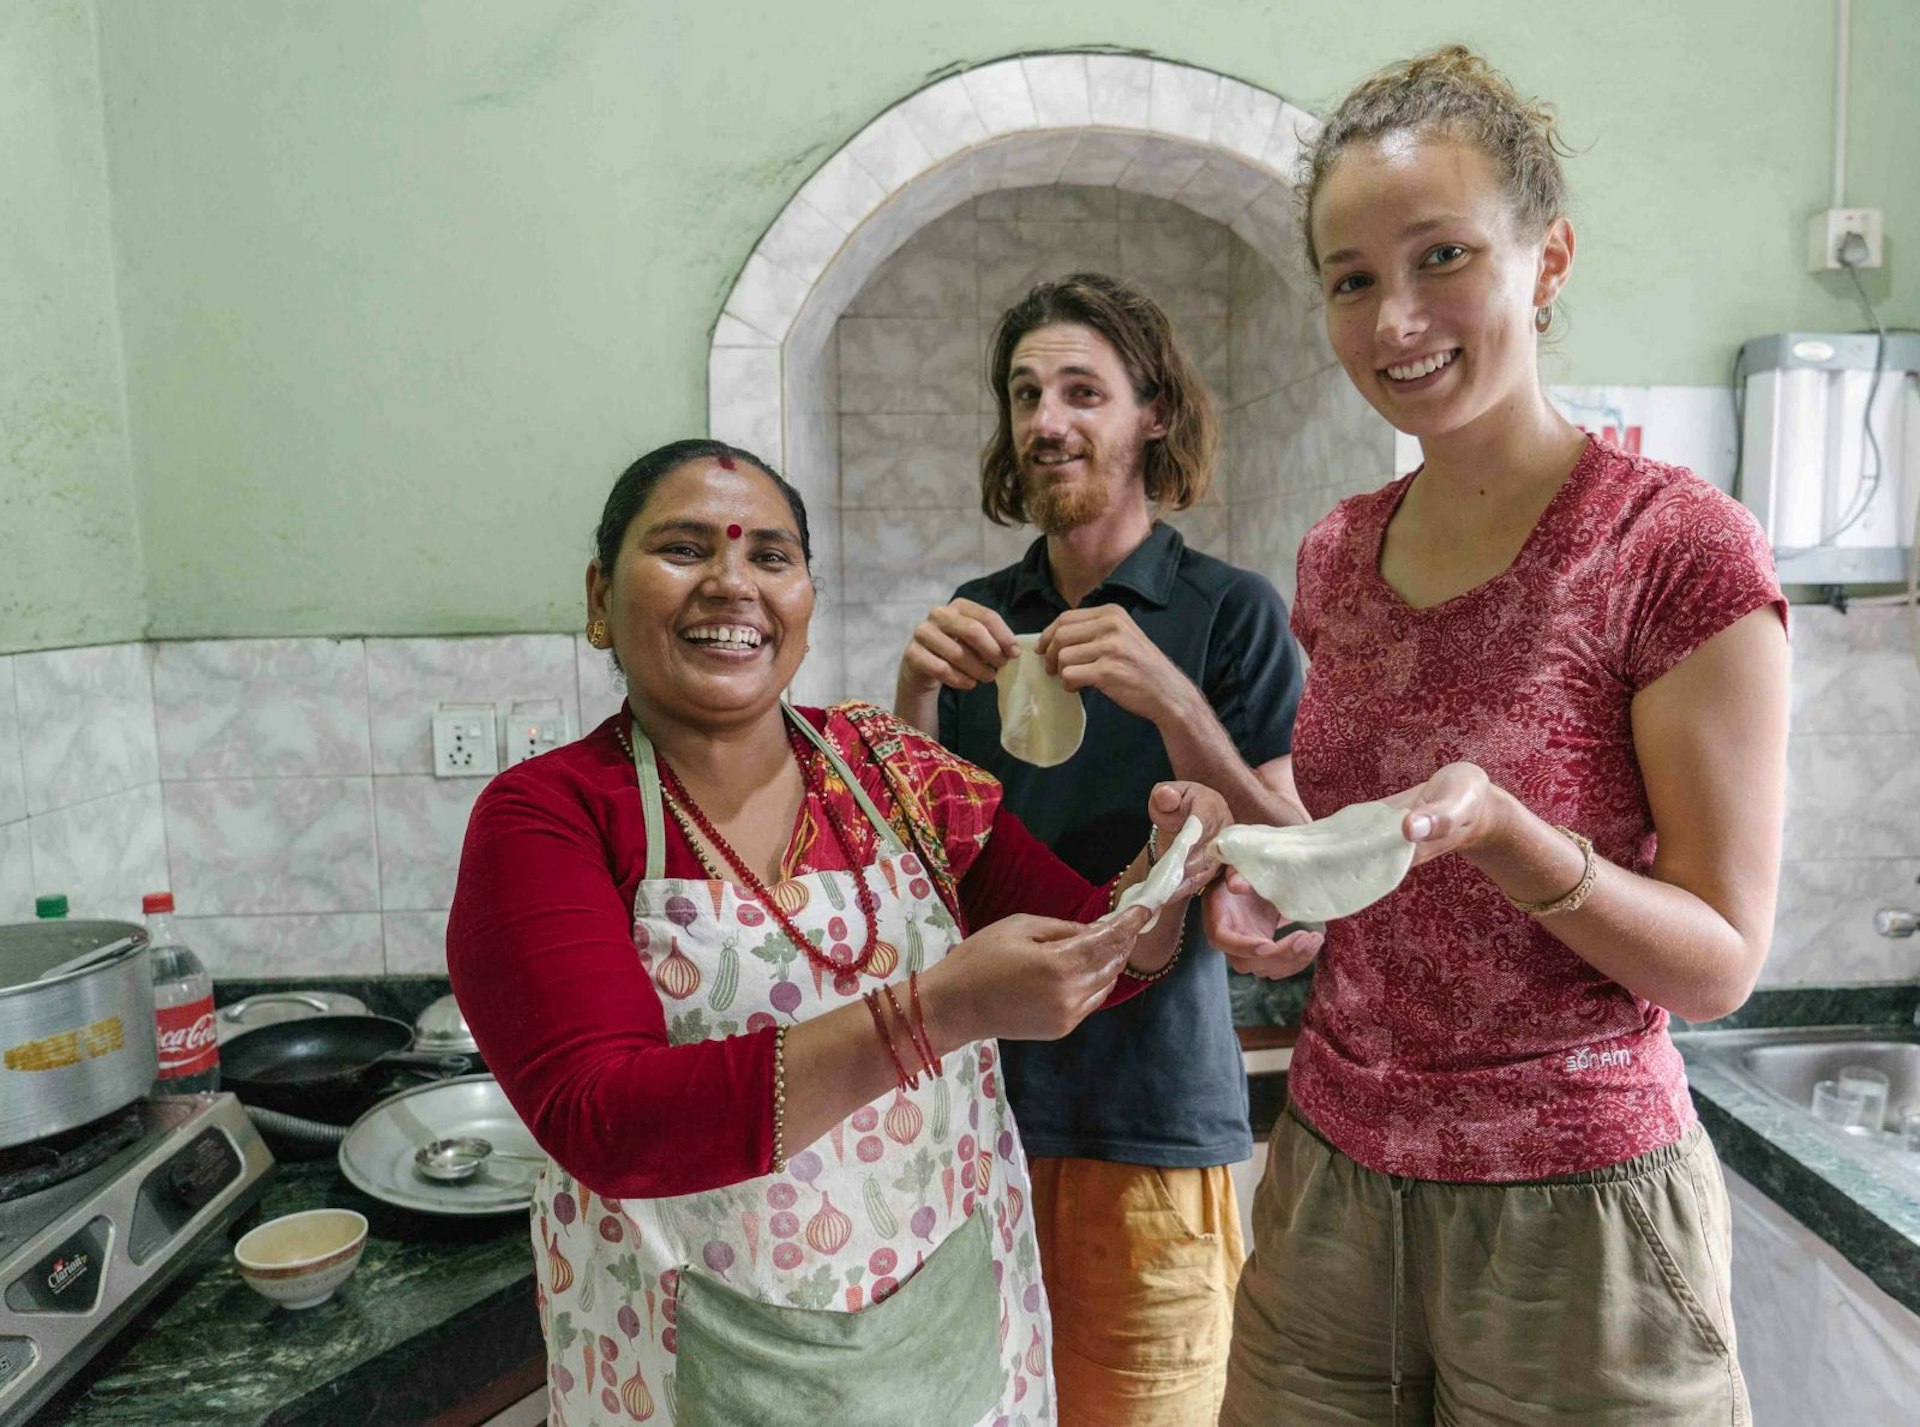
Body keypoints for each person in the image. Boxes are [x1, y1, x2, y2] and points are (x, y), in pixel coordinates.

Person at [1207, 47, 1788, 1426]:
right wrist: (1270, 886)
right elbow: (1374, 872)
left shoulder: (1671, 548)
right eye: (1351, 278)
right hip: (1332, 1194)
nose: (1395, 316)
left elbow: (1719, 962)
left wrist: (1520, 841)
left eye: (1443, 255)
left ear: (1547, 258)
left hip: (1576, 1222)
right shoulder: (1338, 552)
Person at [447, 438, 1232, 1427]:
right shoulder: (550, 814)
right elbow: (608, 1120)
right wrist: (935, 1010)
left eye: (770, 555)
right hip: (691, 1363)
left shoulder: (893, 769)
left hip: (946, 1341)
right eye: (687, 548)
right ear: (602, 596)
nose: (733, 582)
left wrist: (1162, 876)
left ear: (806, 601)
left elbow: (1096, 955)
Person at [894, 274, 1312, 1426]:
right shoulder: (978, 617)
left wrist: (1173, 696)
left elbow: (1294, 864)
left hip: (1155, 1129)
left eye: (1083, 390)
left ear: (1154, 413)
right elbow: (911, 881)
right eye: (1027, 393)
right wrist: (913, 699)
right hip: (976, 1128)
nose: (1046, 419)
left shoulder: (1229, 614)